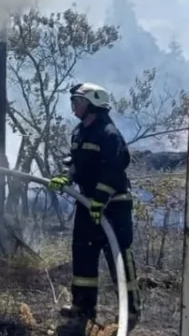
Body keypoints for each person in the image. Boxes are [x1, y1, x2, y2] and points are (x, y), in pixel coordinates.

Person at [47, 82, 141, 323]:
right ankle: (83, 306)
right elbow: (77, 164)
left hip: (114, 206)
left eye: (77, 102)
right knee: (83, 253)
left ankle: (130, 309)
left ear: (92, 105)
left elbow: (115, 169)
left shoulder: (109, 133)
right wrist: (65, 177)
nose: (73, 106)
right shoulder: (79, 132)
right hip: (87, 204)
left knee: (117, 255)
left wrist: (100, 199)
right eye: (74, 102)